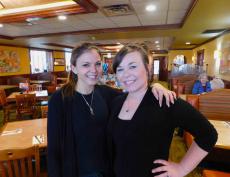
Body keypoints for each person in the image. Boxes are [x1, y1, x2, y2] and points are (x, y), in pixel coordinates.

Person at [47, 43, 176, 177]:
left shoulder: (106, 93)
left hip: (107, 170)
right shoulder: (60, 99)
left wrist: (155, 86)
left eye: (97, 64)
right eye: (86, 65)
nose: (94, 70)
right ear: (74, 68)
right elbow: (54, 149)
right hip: (77, 171)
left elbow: (136, 95)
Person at [108, 44, 217, 177]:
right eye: (120, 69)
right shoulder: (116, 102)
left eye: (133, 66)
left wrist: (181, 168)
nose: (126, 74)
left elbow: (208, 134)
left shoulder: (165, 102)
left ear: (147, 68)